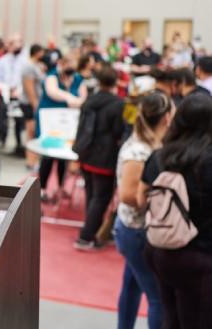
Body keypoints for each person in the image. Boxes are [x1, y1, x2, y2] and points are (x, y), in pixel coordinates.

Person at [139, 94, 212, 328]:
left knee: (171, 316)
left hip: (160, 249)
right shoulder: (207, 161)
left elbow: (141, 198)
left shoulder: (160, 156)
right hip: (200, 256)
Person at [114, 92, 172, 329]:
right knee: (158, 298)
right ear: (166, 117)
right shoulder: (139, 151)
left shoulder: (149, 143)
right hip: (136, 230)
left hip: (133, 228)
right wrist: (159, 202)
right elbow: (127, 195)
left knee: (131, 285)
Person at [73, 66, 125, 250]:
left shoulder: (89, 101)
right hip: (105, 157)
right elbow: (119, 131)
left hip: (86, 154)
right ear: (115, 82)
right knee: (101, 197)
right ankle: (86, 236)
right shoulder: (118, 104)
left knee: (92, 195)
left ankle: (91, 231)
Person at [36, 56, 87, 201]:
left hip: (68, 123)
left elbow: (83, 96)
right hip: (50, 122)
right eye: (69, 64)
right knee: (47, 156)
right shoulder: (52, 76)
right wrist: (69, 98)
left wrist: (78, 102)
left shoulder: (77, 78)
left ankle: (60, 187)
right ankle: (43, 189)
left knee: (64, 157)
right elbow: (53, 92)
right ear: (62, 64)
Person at [0, 34, 25, 154]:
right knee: (2, 119)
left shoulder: (24, 61)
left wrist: (18, 90)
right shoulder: (2, 61)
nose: (16, 46)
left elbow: (25, 79)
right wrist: (7, 89)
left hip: (20, 95)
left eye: (18, 42)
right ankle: (1, 140)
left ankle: (19, 144)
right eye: (12, 43)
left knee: (19, 121)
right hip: (5, 94)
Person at [21, 44, 46, 170]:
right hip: (29, 102)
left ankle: (33, 159)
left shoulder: (36, 66)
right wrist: (35, 103)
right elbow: (29, 87)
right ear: (36, 52)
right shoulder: (29, 67)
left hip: (35, 102)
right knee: (31, 131)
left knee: (33, 131)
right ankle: (30, 160)